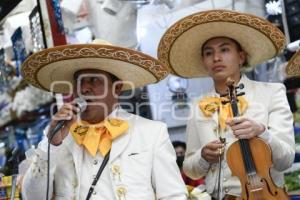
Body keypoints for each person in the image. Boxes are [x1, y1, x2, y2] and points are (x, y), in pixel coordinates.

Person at [20, 40, 188, 200]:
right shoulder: (59, 139)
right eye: (79, 81)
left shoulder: (151, 132)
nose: (84, 88)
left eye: (94, 79)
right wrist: (51, 146)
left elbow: (174, 195)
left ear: (117, 88)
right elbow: (32, 197)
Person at [158, 9, 295, 200]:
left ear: (241, 57)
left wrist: (262, 132)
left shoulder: (272, 92)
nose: (216, 58)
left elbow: (286, 160)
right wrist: (203, 156)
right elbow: (191, 169)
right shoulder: (198, 106)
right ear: (204, 62)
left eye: (224, 50)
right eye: (208, 53)